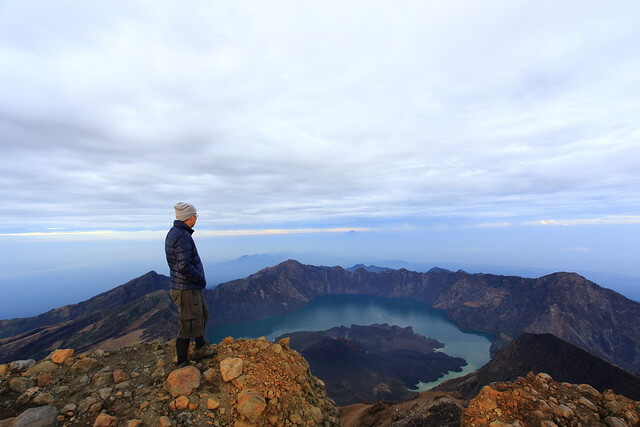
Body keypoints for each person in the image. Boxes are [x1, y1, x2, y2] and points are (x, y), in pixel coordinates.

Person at [165, 202, 215, 366]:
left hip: (188, 287)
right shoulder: (182, 236)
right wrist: (200, 279)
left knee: (200, 314)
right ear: (191, 217)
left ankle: (200, 347)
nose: (196, 219)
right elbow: (183, 266)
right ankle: (182, 362)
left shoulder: (176, 233)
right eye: (196, 216)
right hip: (186, 288)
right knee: (188, 322)